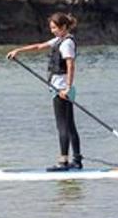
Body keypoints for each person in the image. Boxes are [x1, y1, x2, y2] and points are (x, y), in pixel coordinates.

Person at [6, 12, 81, 171]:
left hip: (62, 88)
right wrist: (18, 50)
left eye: (54, 28)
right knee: (69, 125)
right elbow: (39, 46)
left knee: (62, 126)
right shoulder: (59, 39)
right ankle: (77, 160)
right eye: (51, 28)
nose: (52, 30)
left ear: (64, 27)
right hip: (63, 88)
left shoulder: (67, 43)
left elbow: (70, 65)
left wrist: (67, 87)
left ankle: (63, 162)